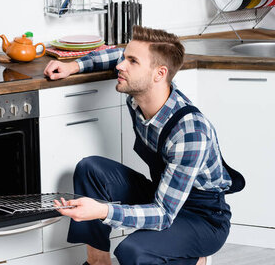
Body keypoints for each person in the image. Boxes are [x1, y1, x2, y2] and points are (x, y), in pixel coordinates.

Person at [43, 26, 244, 265]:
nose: (120, 65)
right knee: (90, 169)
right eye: (125, 58)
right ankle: (98, 262)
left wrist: (102, 211)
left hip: (201, 218)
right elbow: (113, 56)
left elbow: (164, 213)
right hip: (163, 192)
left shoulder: (189, 132)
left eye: (132, 61)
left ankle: (192, 256)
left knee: (133, 250)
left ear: (159, 73)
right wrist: (73, 66)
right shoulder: (142, 94)